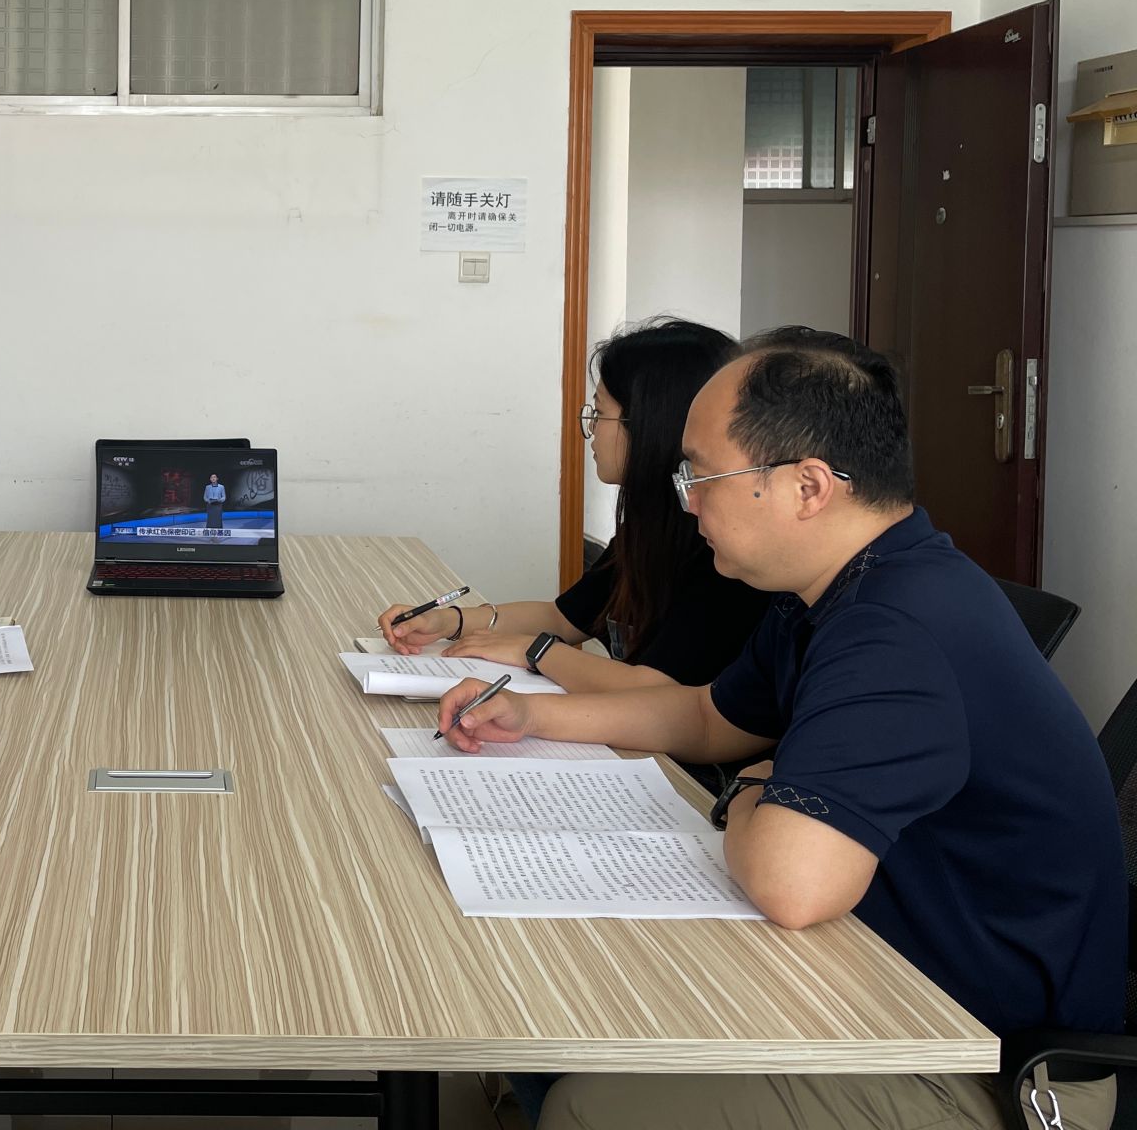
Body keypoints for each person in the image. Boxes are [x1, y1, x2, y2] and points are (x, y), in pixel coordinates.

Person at [438, 328, 1124, 1130]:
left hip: (986, 1067)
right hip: (885, 982)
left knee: (588, 1106)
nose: (688, 500)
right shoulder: (830, 592)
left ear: (808, 487)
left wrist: (749, 790)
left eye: (703, 475)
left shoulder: (896, 630)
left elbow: (791, 884)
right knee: (559, 1003)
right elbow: (705, 716)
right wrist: (532, 713)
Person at [377, 318, 771, 694]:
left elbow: (656, 689)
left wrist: (535, 652)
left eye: (600, 413)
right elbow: (562, 617)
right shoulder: (649, 527)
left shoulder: (718, 548)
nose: (591, 429)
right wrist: (451, 620)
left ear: (650, 425)